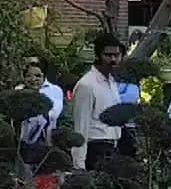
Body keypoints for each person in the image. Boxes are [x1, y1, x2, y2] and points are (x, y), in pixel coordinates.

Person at [71, 32, 124, 170]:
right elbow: (80, 126)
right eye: (108, 55)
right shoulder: (86, 85)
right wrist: (79, 164)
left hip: (113, 147)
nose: (113, 59)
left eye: (116, 55)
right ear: (98, 55)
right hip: (95, 150)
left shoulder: (112, 82)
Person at [16, 57, 64, 145]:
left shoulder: (54, 90)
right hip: (22, 143)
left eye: (38, 76)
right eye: (28, 76)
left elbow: (53, 114)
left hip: (46, 143)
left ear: (44, 75)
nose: (33, 79)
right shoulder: (18, 91)